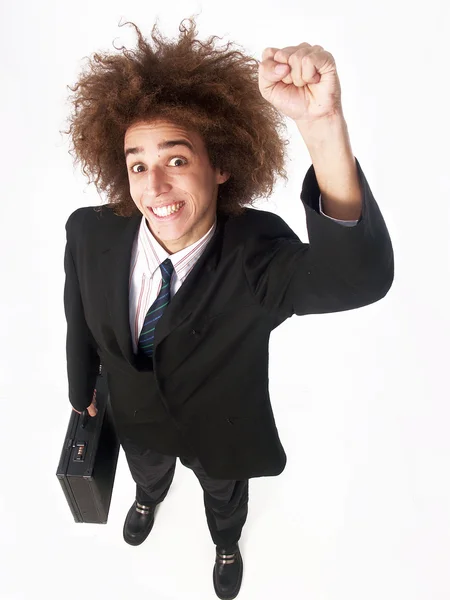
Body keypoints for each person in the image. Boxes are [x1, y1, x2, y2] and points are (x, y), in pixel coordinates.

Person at [62, 16, 394, 600]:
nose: (155, 186)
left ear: (220, 166)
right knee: (148, 472)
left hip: (219, 428)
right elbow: (79, 314)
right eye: (138, 164)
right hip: (133, 414)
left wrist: (320, 127)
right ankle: (148, 498)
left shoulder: (257, 256)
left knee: (223, 495)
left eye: (177, 159)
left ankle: (226, 541)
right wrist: (80, 389)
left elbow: (357, 276)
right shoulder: (90, 231)